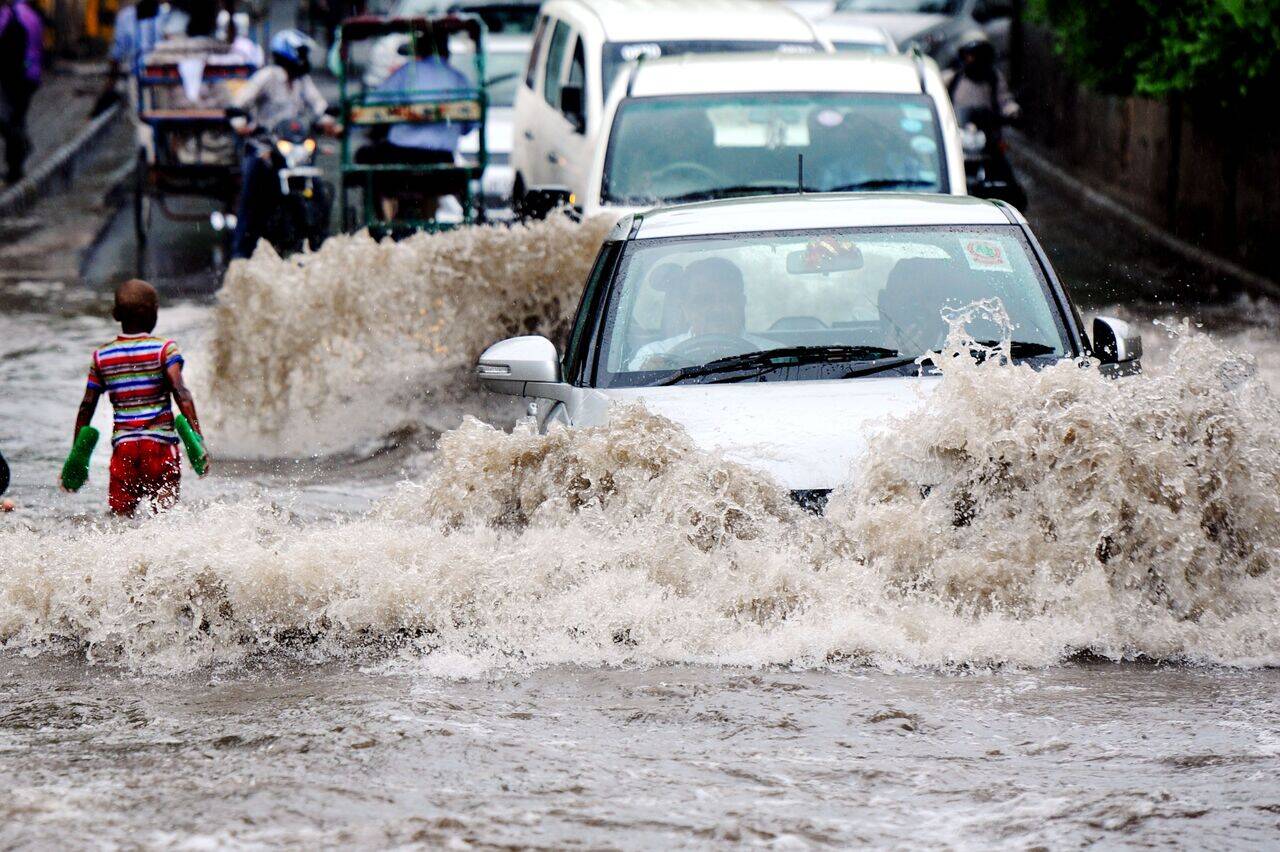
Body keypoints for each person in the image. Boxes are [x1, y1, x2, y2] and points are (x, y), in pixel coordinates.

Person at [70, 279, 207, 516]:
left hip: (124, 449)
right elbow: (180, 392)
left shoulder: (101, 356)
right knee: (164, 514)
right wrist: (197, 438)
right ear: (154, 312)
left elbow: (87, 405)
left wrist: (75, 455)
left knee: (121, 517)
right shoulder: (164, 350)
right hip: (160, 447)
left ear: (116, 314)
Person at [228, 29, 335, 258]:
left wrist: (329, 123)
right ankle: (240, 255)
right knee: (251, 198)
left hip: (294, 149)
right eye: (302, 53)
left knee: (317, 192)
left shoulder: (302, 81)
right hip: (265, 148)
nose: (306, 59)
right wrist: (240, 123)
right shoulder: (267, 76)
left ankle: (320, 247)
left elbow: (319, 107)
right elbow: (240, 103)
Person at [355, 29, 475, 222]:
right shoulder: (460, 80)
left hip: (400, 162)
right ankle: (428, 217)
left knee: (363, 156)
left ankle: (382, 222)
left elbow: (370, 108)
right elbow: (469, 127)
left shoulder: (406, 74)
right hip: (441, 165)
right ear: (447, 52)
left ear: (420, 50)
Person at [628, 258, 773, 370]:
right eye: (704, 300)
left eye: (728, 299)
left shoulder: (776, 356)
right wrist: (654, 372)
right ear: (685, 308)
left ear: (742, 303)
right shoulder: (655, 355)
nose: (717, 309)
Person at [0, 0, 41, 185]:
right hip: (31, 75)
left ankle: (21, 148)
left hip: (15, 75)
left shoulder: (10, 14)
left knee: (8, 119)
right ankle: (15, 170)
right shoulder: (31, 14)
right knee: (17, 118)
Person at [946, 30, 1021, 127]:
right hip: (959, 130)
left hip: (987, 131)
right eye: (969, 55)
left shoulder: (994, 78)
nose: (973, 60)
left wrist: (1013, 112)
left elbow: (1005, 101)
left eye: (978, 55)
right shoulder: (953, 78)